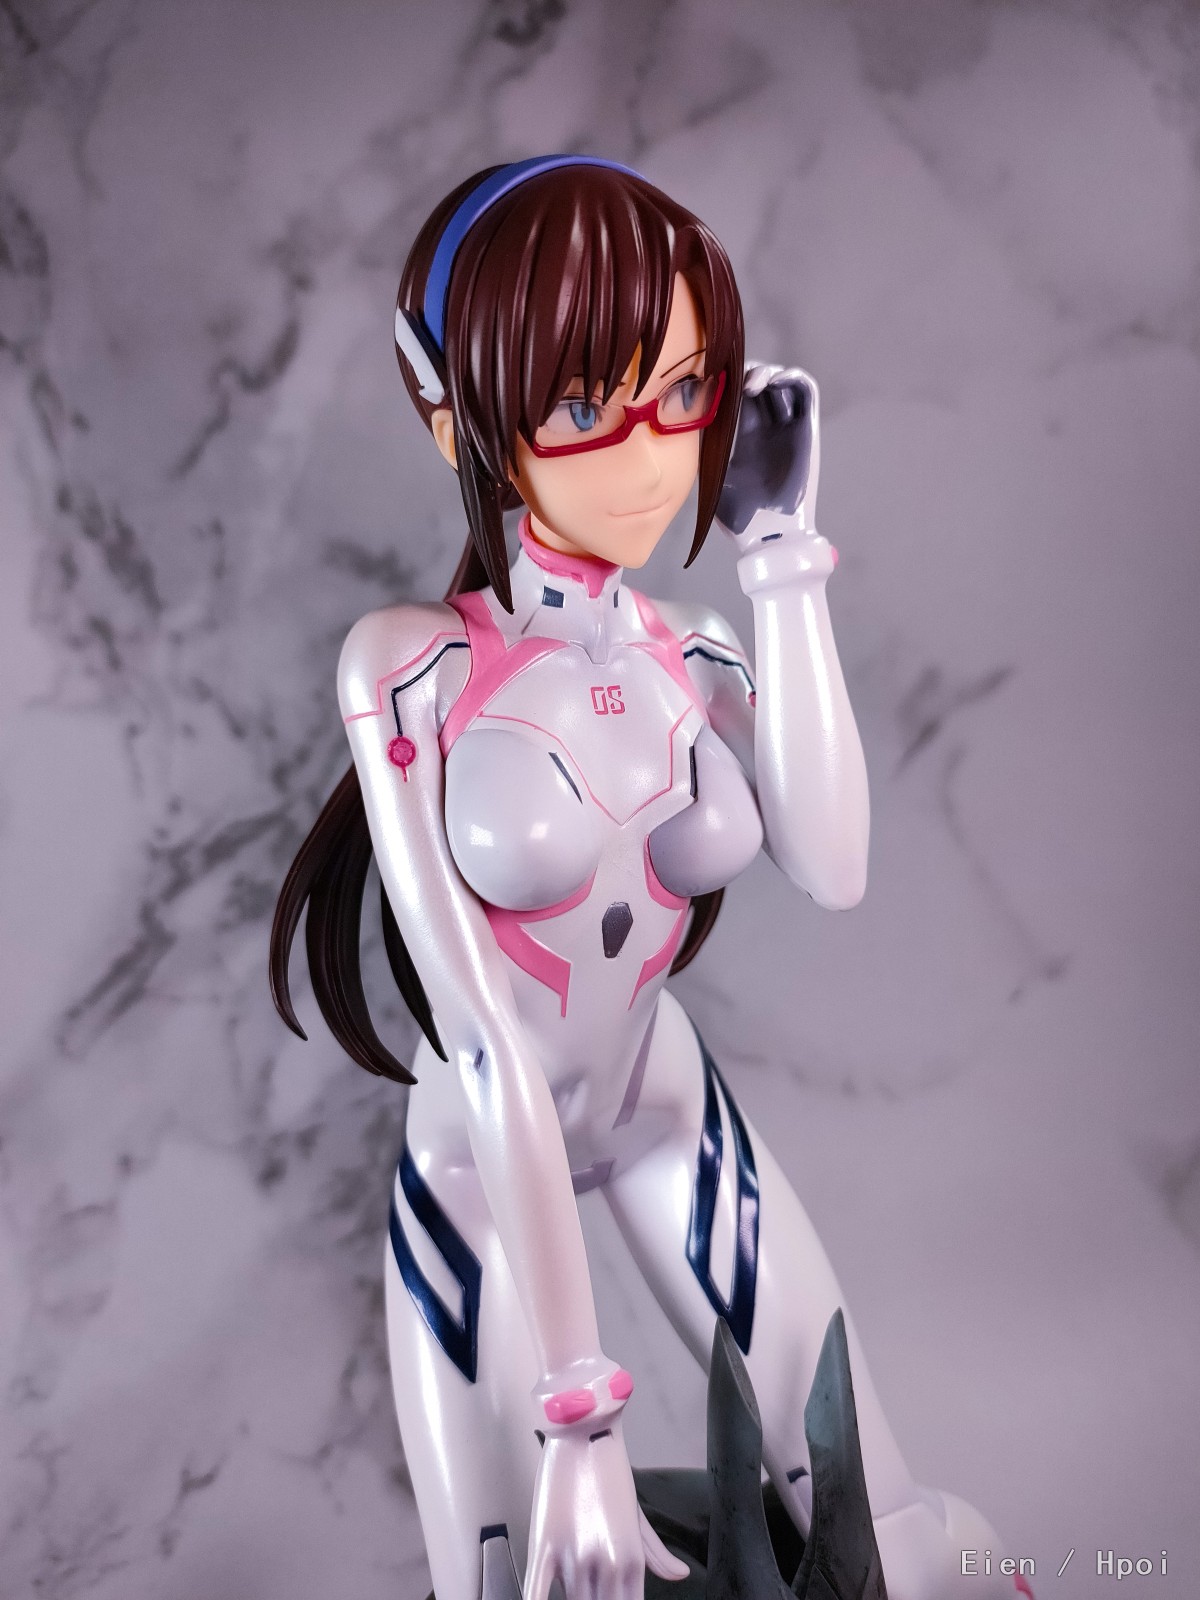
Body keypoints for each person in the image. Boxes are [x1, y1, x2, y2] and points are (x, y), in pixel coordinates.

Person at [271, 158, 1020, 1600]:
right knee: (514, 1579)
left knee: (887, 1522)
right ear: (453, 414)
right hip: (480, 1174)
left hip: (664, 1108)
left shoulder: (700, 649)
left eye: (682, 394)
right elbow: (484, 1042)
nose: (649, 458)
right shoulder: (413, 670)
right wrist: (580, 1414)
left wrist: (782, 562)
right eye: (580, 407)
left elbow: (835, 867)